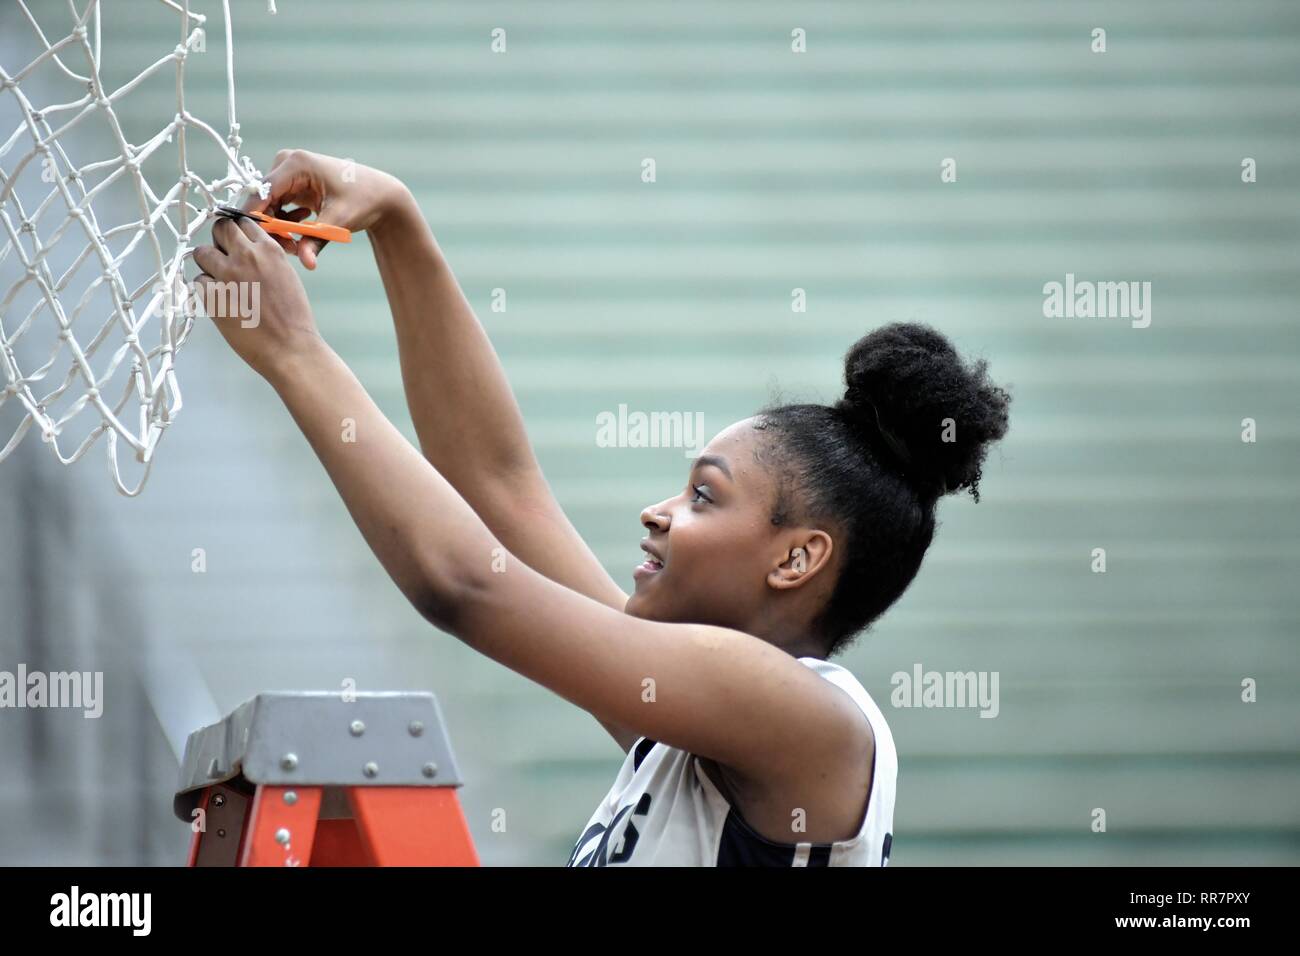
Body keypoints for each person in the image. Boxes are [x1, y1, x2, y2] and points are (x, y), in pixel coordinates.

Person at [191, 150, 1012, 866]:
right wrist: (397, 220)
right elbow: (499, 487)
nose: (657, 513)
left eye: (702, 495)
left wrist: (297, 354)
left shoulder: (809, 718)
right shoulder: (690, 721)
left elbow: (467, 586)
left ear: (796, 558)